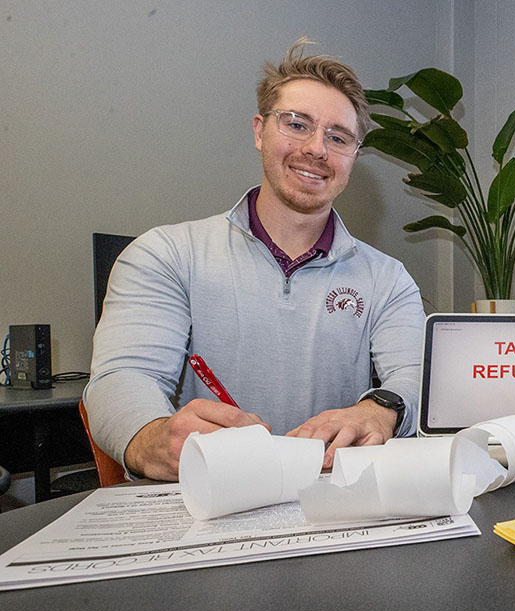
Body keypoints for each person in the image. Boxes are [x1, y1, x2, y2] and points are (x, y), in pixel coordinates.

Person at [84, 39, 424, 481]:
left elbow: (416, 374)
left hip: (336, 501)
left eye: (338, 137)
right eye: (297, 124)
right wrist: (152, 438)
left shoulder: (387, 279)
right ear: (260, 130)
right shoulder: (165, 254)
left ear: (354, 156)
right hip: (203, 500)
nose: (317, 149)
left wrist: (380, 410)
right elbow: (122, 378)